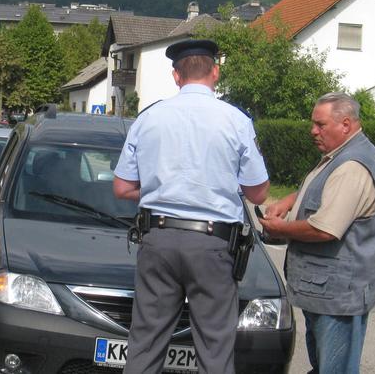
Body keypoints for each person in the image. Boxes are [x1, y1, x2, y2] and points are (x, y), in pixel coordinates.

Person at [113, 39, 270, 374]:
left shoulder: (149, 117)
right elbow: (258, 194)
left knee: (145, 344)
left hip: (158, 238)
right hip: (212, 244)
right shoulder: (236, 121)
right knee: (214, 350)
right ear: (215, 72)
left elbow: (122, 186)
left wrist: (164, 190)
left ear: (176, 76)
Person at [258, 92, 375, 374]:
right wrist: (289, 201)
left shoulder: (352, 165)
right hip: (327, 292)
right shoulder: (342, 155)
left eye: (320, 124)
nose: (312, 131)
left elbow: (324, 229)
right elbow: (326, 191)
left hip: (339, 297)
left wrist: (282, 229)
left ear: (345, 124)